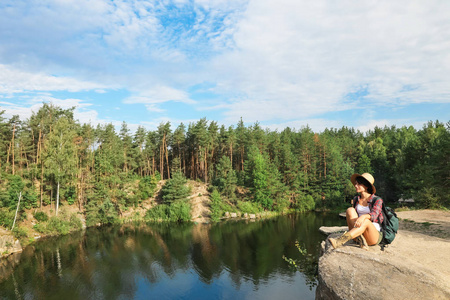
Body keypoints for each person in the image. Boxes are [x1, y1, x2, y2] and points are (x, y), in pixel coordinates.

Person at [329, 173, 384, 249]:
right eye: (355, 184)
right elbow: (353, 218)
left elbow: (374, 215)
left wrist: (363, 217)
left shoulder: (377, 200)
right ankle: (361, 240)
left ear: (366, 186)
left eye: (359, 184)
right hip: (358, 233)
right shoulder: (356, 199)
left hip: (373, 235)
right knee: (350, 210)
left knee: (366, 221)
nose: (355, 186)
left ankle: (340, 241)